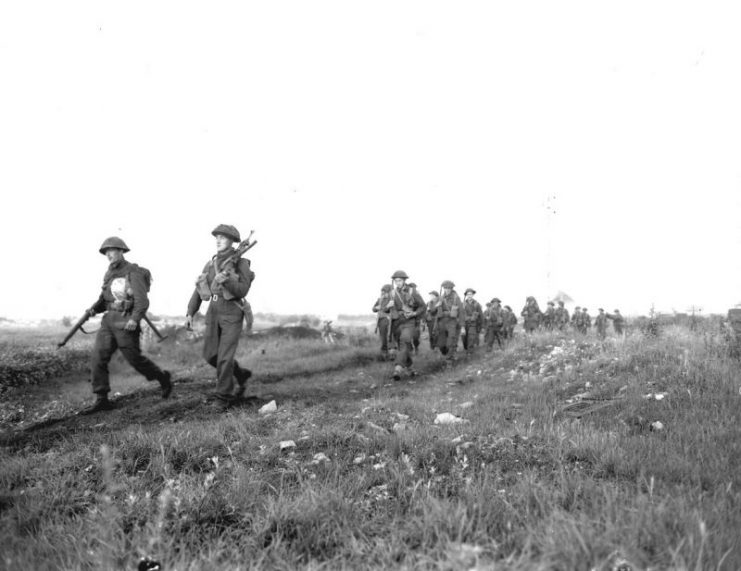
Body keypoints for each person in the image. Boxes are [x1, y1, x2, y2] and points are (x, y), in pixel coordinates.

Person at [82, 237, 172, 414]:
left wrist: (134, 319)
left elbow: (142, 300)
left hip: (126, 321)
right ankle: (102, 398)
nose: (108, 254)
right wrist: (94, 309)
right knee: (98, 358)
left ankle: (163, 378)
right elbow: (104, 299)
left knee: (135, 360)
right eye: (106, 252)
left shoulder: (133, 272)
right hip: (108, 321)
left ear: (122, 251)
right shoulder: (108, 274)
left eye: (112, 250)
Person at [186, 224, 254, 411]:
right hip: (213, 311)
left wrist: (228, 280)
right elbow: (199, 289)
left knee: (224, 357)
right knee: (210, 355)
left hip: (232, 312)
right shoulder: (211, 264)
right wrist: (190, 313)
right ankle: (240, 374)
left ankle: (224, 396)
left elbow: (242, 290)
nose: (218, 240)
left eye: (223, 238)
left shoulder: (242, 263)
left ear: (232, 241)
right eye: (216, 237)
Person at [387, 271, 426, 380]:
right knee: (404, 347)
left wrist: (414, 313)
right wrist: (387, 306)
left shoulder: (412, 291)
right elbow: (383, 309)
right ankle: (410, 369)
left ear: (404, 280)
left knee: (405, 341)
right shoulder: (392, 293)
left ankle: (398, 369)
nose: (397, 283)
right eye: (396, 281)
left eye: (399, 280)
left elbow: (422, 307)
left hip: (409, 322)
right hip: (397, 323)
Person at [435, 280, 465, 360]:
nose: (447, 290)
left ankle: (449, 359)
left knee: (450, 342)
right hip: (442, 322)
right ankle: (448, 353)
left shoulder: (456, 298)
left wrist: (462, 326)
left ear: (451, 289)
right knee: (441, 344)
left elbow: (461, 312)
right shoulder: (440, 298)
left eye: (449, 288)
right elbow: (432, 311)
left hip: (452, 322)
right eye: (445, 288)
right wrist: (436, 306)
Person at [372, 284, 393, 358]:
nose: (384, 293)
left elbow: (387, 310)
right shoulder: (380, 299)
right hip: (380, 320)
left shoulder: (392, 300)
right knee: (383, 337)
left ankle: (391, 353)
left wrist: (386, 307)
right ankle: (384, 352)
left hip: (389, 320)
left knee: (390, 337)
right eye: (383, 292)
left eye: (386, 292)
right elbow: (373, 309)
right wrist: (377, 308)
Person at [462, 288, 484, 352]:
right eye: (468, 294)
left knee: (471, 339)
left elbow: (481, 316)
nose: (469, 296)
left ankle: (469, 354)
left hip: (473, 324)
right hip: (464, 324)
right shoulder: (463, 304)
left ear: (473, 295)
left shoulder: (477, 304)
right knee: (464, 340)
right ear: (466, 295)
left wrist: (482, 326)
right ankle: (467, 348)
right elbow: (460, 315)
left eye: (471, 294)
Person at [407, 282, 425, 354]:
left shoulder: (417, 295)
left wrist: (422, 320)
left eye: (413, 288)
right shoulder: (406, 295)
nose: (412, 289)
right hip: (408, 318)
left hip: (416, 319)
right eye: (411, 287)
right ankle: (410, 348)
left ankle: (416, 347)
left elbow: (423, 307)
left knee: (415, 336)